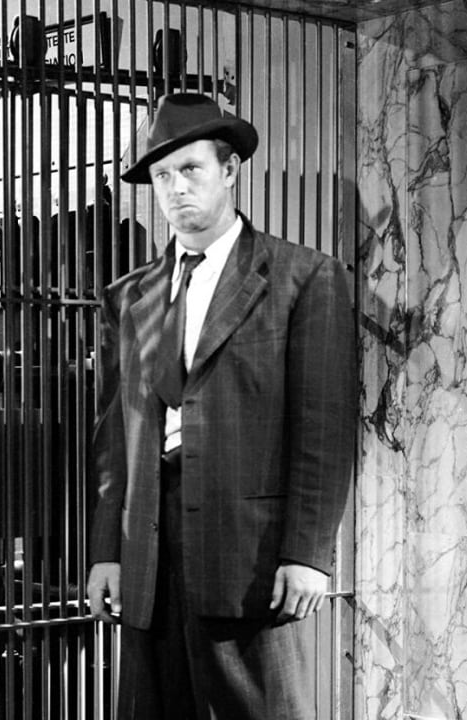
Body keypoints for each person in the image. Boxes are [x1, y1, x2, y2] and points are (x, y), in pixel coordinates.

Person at [85, 93, 356, 719]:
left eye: (190, 169)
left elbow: (323, 430)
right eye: (161, 175)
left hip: (248, 549)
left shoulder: (302, 277)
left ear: (229, 170)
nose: (175, 188)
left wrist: (307, 553)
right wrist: (106, 551)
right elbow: (114, 439)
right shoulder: (129, 296)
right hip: (149, 547)